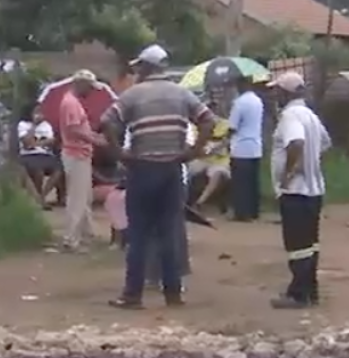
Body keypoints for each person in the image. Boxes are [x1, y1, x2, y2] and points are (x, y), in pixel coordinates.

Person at [101, 44, 214, 310]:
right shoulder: (181, 94)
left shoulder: (133, 95)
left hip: (141, 168)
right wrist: (192, 151)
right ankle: (173, 294)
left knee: (139, 234)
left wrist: (120, 153)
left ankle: (133, 295)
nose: (137, 72)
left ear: (146, 68)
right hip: (172, 169)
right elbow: (207, 120)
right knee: (170, 232)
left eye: (139, 67)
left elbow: (107, 121)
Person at [268, 71, 331, 309]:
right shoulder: (310, 115)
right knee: (310, 244)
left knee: (297, 246)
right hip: (314, 190)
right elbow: (325, 143)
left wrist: (288, 172)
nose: (275, 96)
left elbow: (296, 142)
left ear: (286, 93)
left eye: (277, 91)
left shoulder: (290, 116)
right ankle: (309, 290)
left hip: (296, 191)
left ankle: (298, 294)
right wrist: (311, 162)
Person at [58, 69, 106, 252]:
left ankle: (86, 234)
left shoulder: (72, 102)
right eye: (90, 87)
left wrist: (93, 136)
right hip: (76, 153)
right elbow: (73, 130)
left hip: (80, 153)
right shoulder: (70, 103)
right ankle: (71, 239)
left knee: (84, 197)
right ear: (81, 84)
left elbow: (79, 128)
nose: (91, 91)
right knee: (77, 199)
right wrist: (94, 139)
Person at [228, 75, 264, 221]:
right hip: (255, 146)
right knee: (253, 181)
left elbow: (233, 126)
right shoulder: (258, 101)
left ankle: (242, 212)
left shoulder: (239, 103)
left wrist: (224, 138)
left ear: (241, 85)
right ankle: (254, 211)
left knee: (241, 182)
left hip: (241, 147)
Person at [187, 107, 232, 210]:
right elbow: (194, 143)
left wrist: (218, 147)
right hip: (201, 159)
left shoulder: (226, 125)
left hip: (219, 160)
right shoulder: (197, 126)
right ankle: (185, 200)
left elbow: (228, 141)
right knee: (186, 171)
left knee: (217, 174)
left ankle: (199, 202)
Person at [17, 104, 59, 208]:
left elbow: (52, 141)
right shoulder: (23, 125)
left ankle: (42, 196)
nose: (39, 114)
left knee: (58, 170)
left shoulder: (46, 125)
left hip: (45, 154)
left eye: (40, 111)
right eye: (36, 111)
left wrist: (36, 144)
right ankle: (38, 197)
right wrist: (34, 125)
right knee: (38, 171)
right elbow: (27, 143)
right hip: (29, 155)